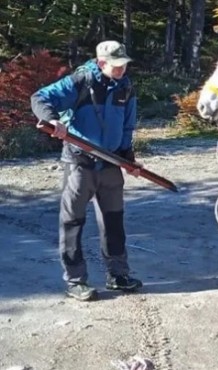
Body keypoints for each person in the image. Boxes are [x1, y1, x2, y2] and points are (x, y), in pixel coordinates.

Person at [30, 40, 142, 302]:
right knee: (72, 223)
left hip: (111, 164)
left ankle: (118, 275)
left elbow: (127, 127)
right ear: (101, 63)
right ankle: (75, 280)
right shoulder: (80, 81)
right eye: (116, 66)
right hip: (79, 163)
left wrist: (128, 159)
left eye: (124, 65)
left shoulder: (126, 87)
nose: (121, 70)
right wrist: (52, 119)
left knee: (114, 222)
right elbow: (40, 98)